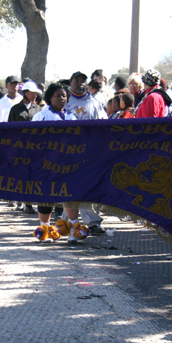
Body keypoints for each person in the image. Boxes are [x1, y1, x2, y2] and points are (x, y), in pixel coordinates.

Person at [31, 84, 80, 243]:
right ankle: (44, 230)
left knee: (70, 194)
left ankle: (72, 230)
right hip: (47, 163)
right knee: (46, 195)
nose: (61, 99)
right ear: (50, 97)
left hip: (68, 163)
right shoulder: (41, 116)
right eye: (57, 96)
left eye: (64, 96)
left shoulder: (72, 117)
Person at [65, 71, 107, 237]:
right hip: (68, 152)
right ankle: (68, 223)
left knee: (86, 187)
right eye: (77, 80)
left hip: (89, 152)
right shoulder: (65, 101)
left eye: (83, 80)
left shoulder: (94, 103)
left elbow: (104, 126)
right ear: (71, 82)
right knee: (68, 189)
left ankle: (93, 222)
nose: (80, 83)